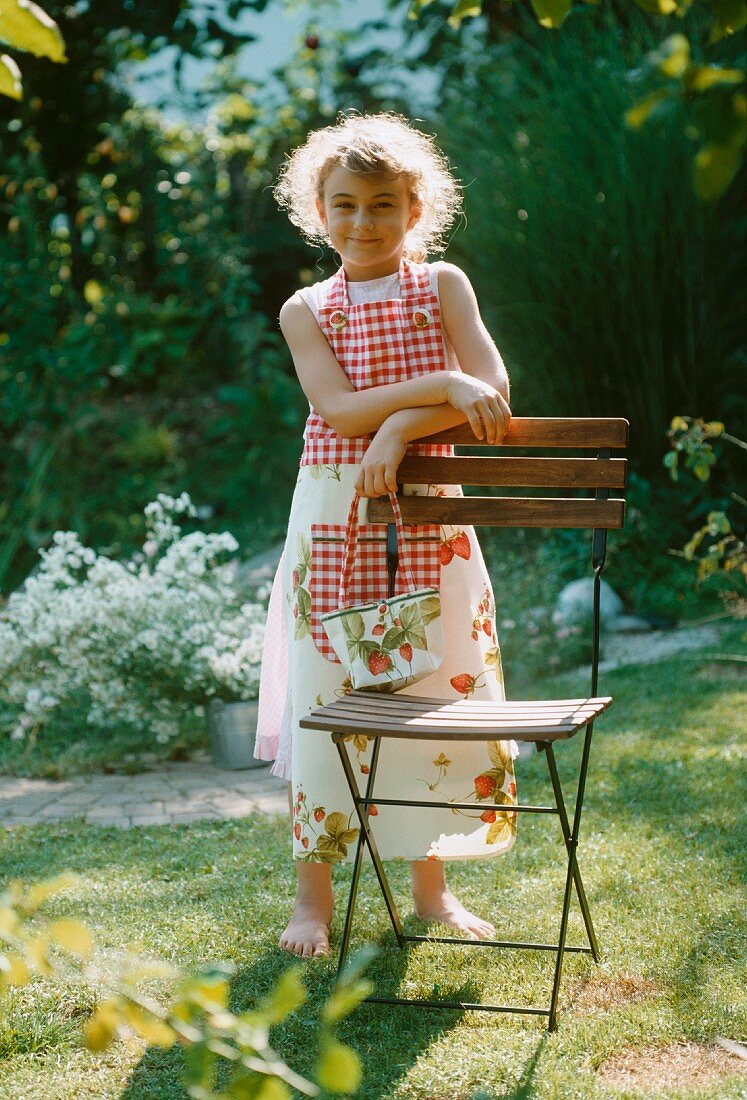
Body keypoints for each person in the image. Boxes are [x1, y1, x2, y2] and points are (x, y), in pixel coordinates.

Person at [255, 112, 518, 959]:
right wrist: (435, 385)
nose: (362, 223)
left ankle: (432, 890)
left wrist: (401, 429)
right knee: (330, 700)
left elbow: (494, 392)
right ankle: (312, 903)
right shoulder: (307, 309)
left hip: (429, 519)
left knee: (429, 693)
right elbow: (333, 409)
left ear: (415, 210)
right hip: (335, 512)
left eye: (381, 205)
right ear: (317, 212)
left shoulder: (443, 286)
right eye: (344, 205)